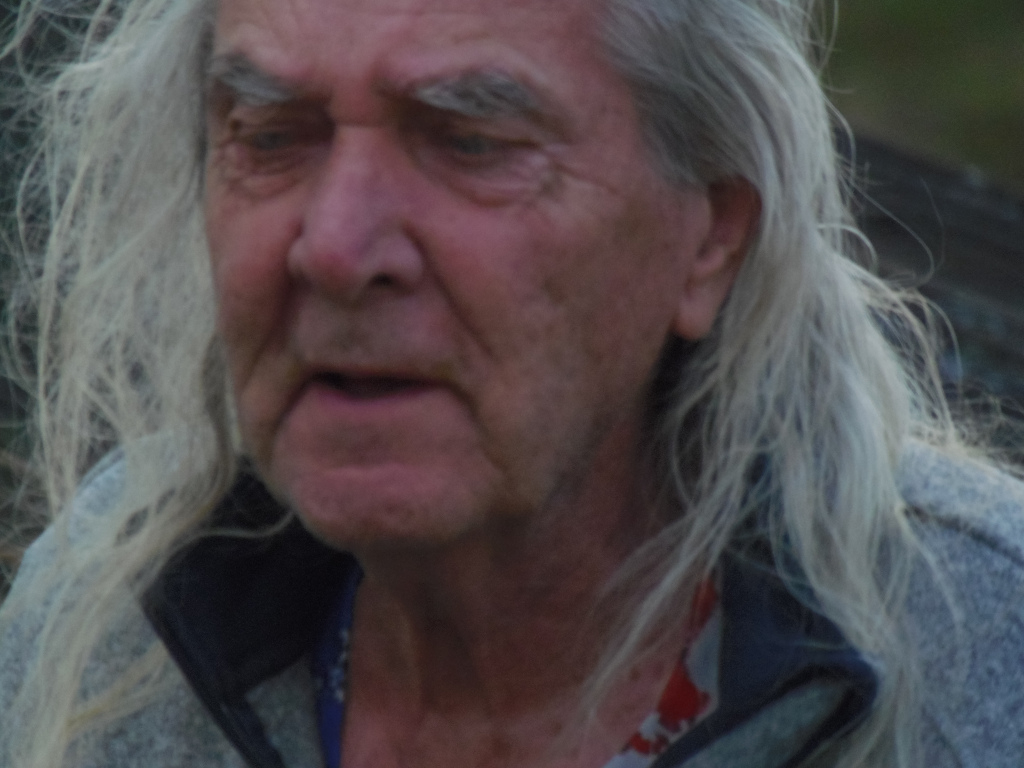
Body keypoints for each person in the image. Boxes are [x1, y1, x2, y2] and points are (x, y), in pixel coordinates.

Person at [1, 0, 1023, 766]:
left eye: (470, 143)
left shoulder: (982, 664)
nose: (337, 248)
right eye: (271, 137)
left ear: (710, 238)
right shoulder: (112, 626)